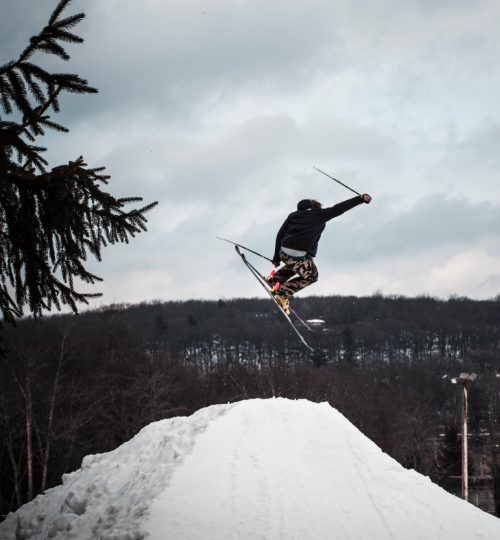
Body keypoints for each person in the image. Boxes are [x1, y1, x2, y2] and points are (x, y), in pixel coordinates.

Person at [267, 194, 372, 314]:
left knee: (302, 265)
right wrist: (360, 199)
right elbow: (339, 208)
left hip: (283, 252)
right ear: (314, 206)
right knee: (312, 276)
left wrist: (276, 257)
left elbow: (280, 235)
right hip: (296, 254)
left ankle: (275, 279)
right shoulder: (319, 214)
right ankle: (282, 292)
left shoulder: (293, 215)